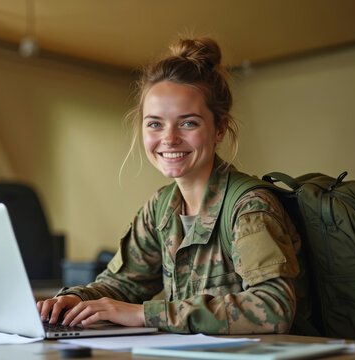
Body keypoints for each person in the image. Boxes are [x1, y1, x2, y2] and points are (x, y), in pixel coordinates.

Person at [37, 37, 301, 334]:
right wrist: (73, 300)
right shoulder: (161, 208)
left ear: (220, 130)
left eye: (188, 123)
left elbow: (273, 309)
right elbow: (123, 284)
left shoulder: (249, 207)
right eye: (155, 124)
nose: (169, 138)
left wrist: (145, 314)